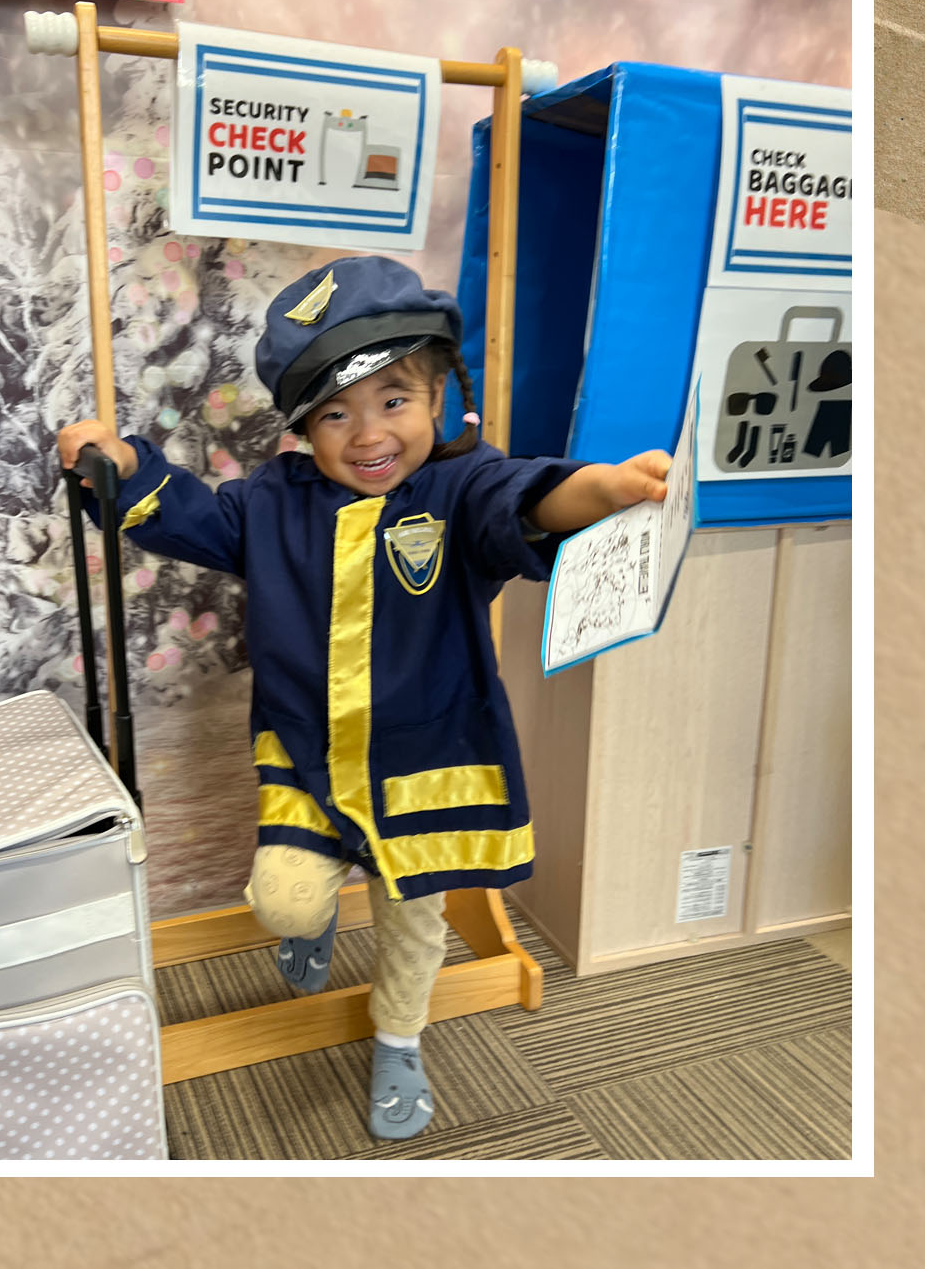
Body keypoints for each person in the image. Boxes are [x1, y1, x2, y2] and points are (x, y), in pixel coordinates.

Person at [59, 255, 670, 1142]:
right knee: (285, 901)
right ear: (304, 426)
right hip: (307, 748)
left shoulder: (460, 486)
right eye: (335, 413)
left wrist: (604, 490)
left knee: (411, 923)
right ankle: (308, 925)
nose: (368, 434)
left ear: (436, 398)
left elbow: (530, 497)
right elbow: (184, 511)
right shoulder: (272, 502)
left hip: (426, 756)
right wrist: (118, 464)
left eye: (393, 400)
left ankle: (398, 1039)